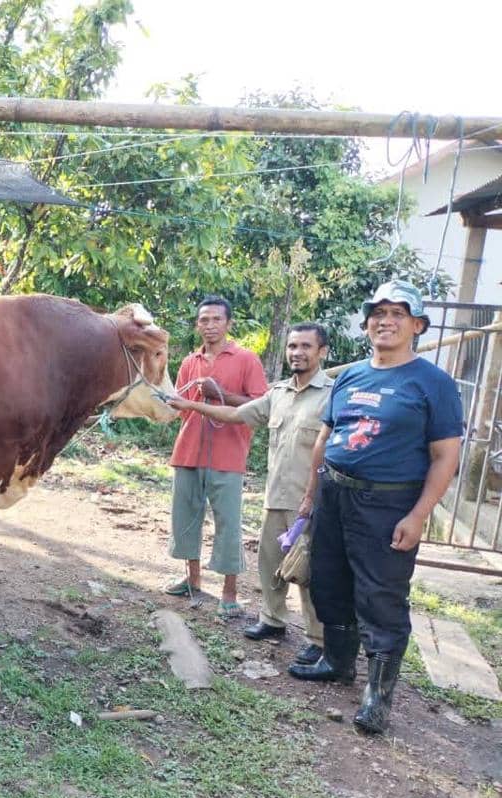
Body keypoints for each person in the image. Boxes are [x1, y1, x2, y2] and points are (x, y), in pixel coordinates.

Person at [289, 281, 463, 735]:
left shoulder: (433, 384)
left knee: (380, 597)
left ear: (417, 325)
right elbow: (325, 438)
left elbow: (446, 455)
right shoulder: (350, 377)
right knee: (329, 581)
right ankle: (337, 662)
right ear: (367, 324)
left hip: (387, 503)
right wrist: (311, 496)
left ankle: (377, 697)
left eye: (397, 314)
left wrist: (418, 515)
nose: (385, 321)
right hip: (334, 493)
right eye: (378, 313)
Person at [169, 323, 332, 662]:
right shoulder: (279, 394)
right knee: (270, 562)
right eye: (292, 346)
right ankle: (272, 620)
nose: (297, 353)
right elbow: (234, 414)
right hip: (277, 494)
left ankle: (318, 640)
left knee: (307, 568)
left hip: (310, 498)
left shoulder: (332, 395)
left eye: (306, 346)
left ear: (323, 352)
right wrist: (193, 405)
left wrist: (314, 497)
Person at [164, 296, 269, 616]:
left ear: (228, 323)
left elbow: (260, 408)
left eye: (216, 320)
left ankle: (229, 592)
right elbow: (179, 406)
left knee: (228, 524)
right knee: (185, 518)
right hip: (188, 451)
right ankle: (192, 579)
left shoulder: (246, 359)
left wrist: (219, 394)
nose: (209, 325)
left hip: (228, 455)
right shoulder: (189, 362)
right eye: (204, 320)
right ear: (198, 325)